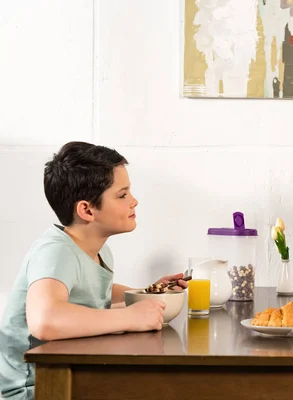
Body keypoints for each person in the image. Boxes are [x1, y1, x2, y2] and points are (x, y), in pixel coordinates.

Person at [0, 142, 189, 399]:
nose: (134, 201)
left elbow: (92, 289)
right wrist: (131, 318)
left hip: (68, 374)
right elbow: (45, 320)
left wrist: (147, 293)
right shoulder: (55, 252)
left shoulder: (94, 249)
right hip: (36, 388)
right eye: (122, 195)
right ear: (87, 210)